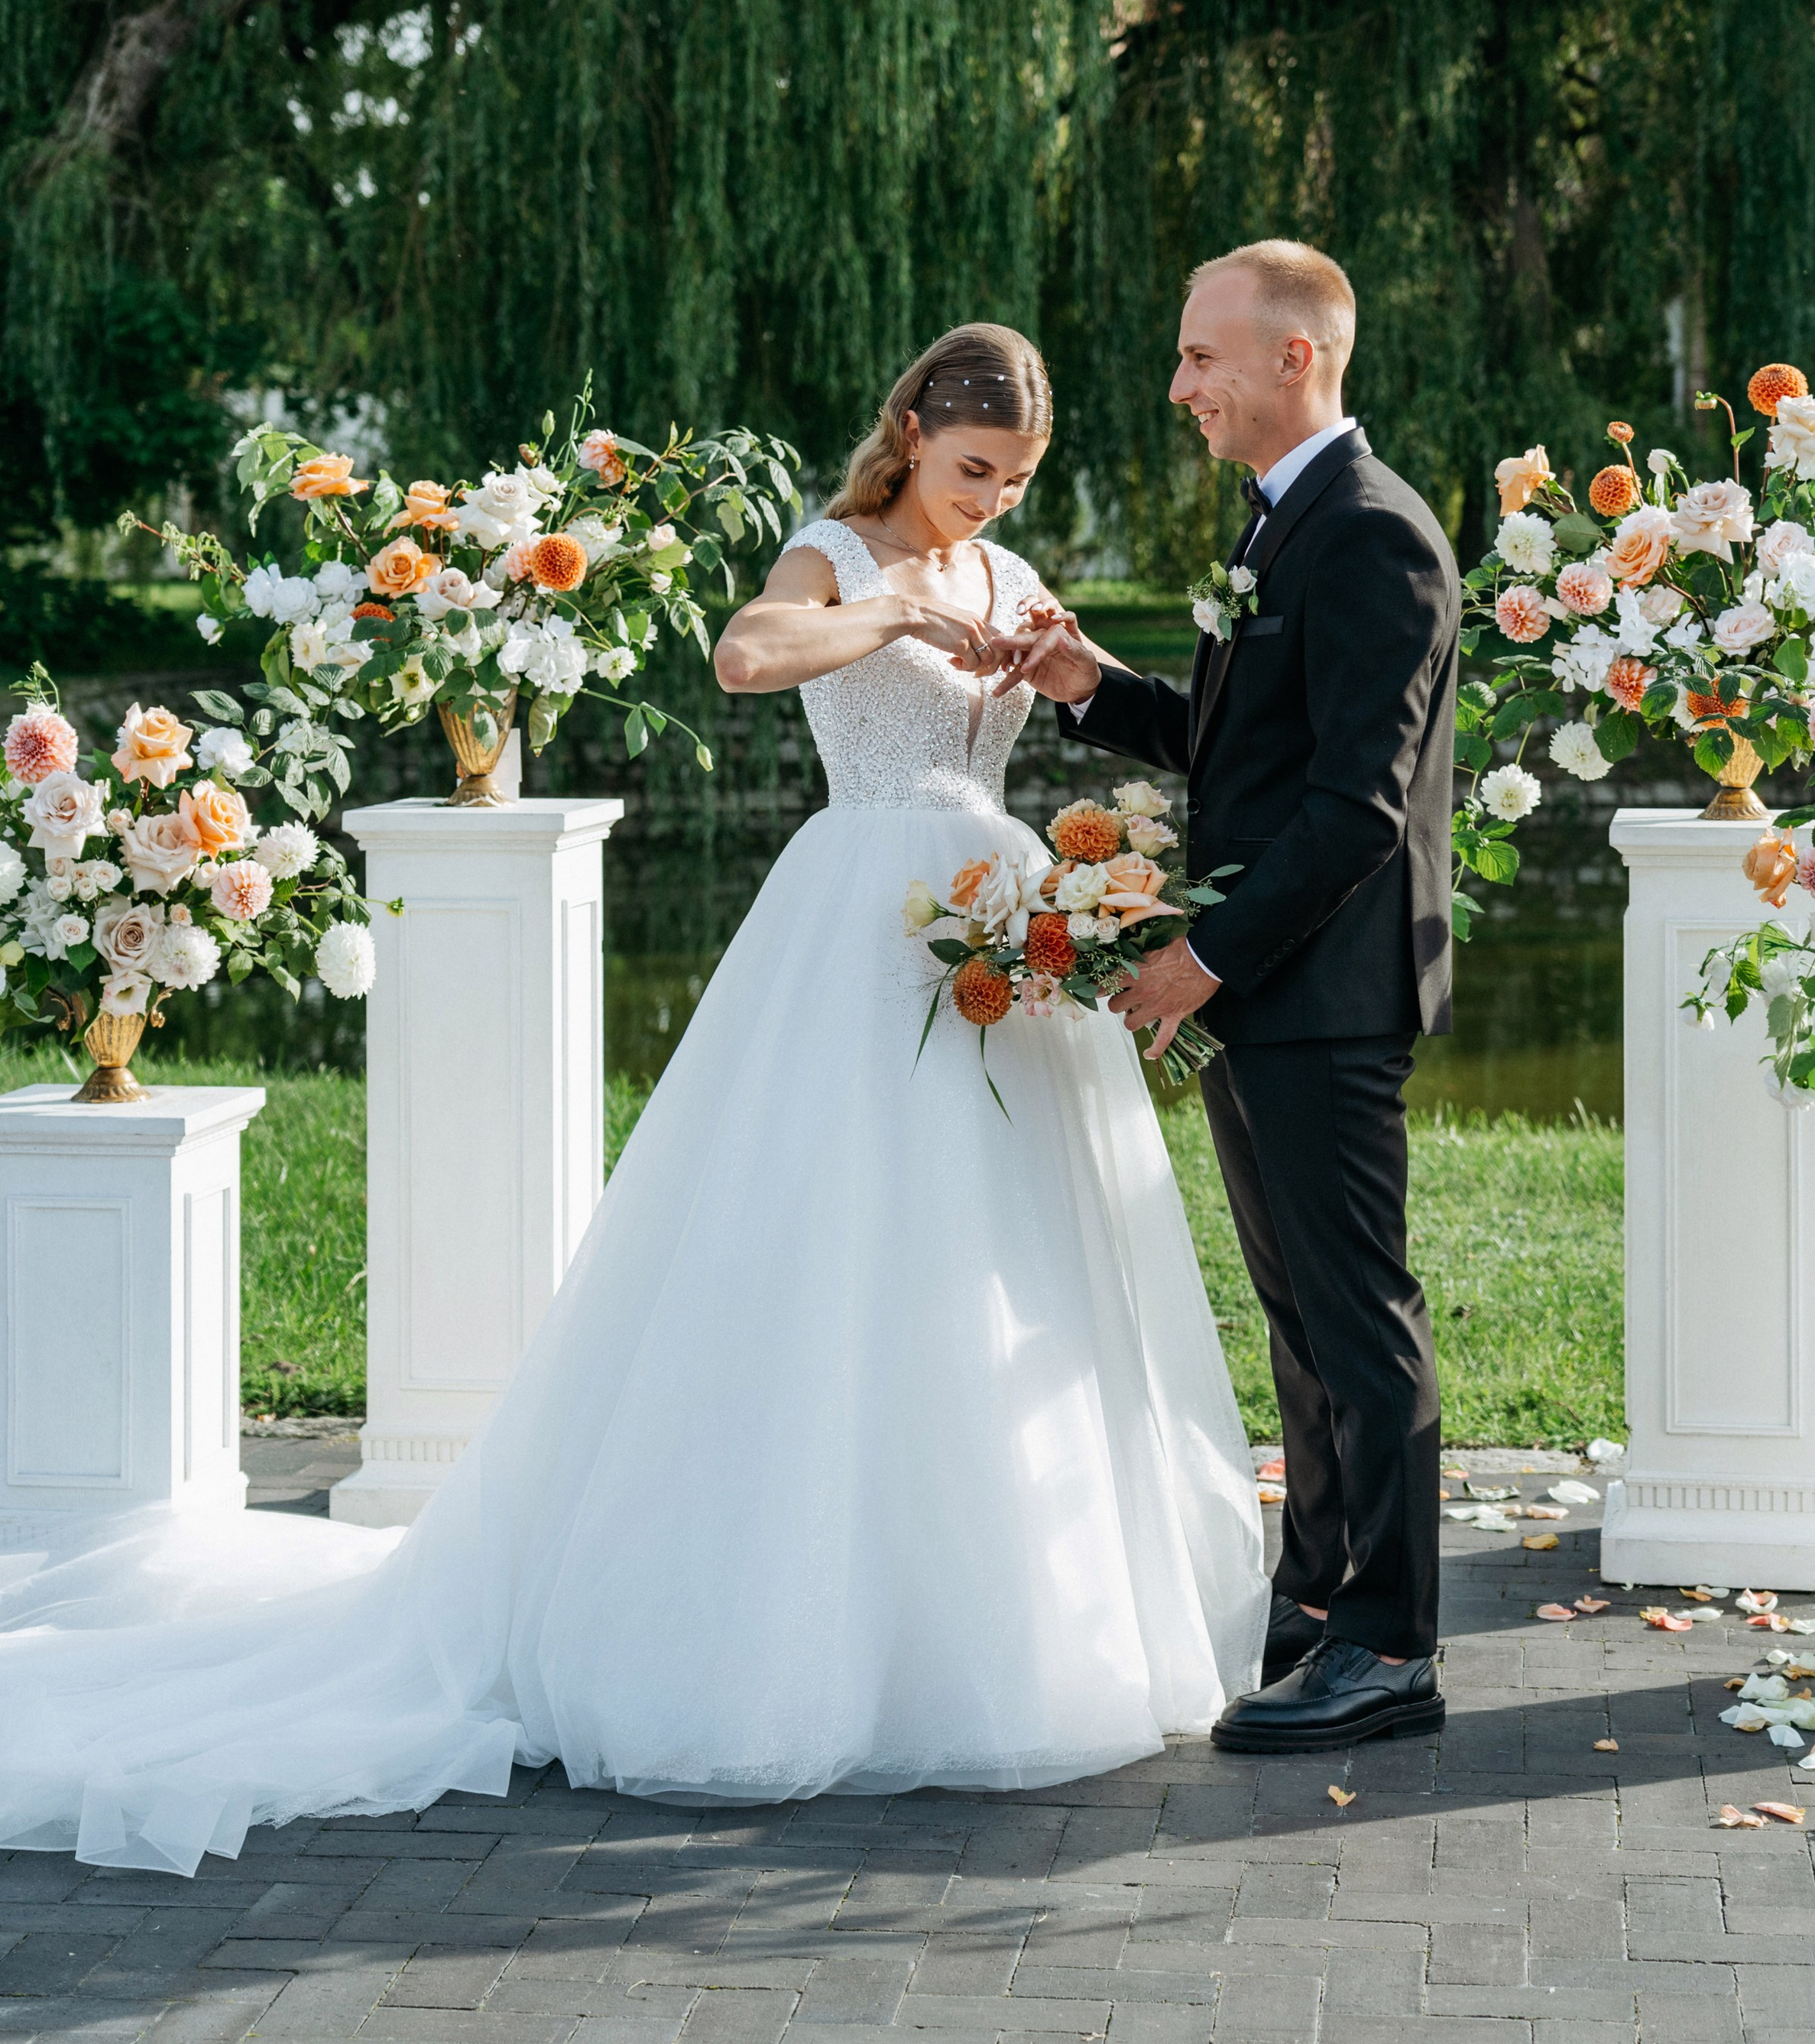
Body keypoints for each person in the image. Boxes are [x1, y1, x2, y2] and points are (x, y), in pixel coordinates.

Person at [0, 321, 1266, 1877]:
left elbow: (1044, 693)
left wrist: (1053, 676)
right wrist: (885, 612)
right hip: (857, 921)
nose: (990, 503)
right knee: (823, 1244)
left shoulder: (1009, 577)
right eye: (969, 471)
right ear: (913, 432)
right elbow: (744, 656)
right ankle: (774, 1630)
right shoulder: (836, 554)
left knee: (1008, 1263)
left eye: (1012, 481)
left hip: (1000, 923)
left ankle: (1015, 1610)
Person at [991, 244, 1459, 1753]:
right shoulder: (1277, 527)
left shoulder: (1369, 536)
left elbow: (1351, 811)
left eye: (1200, 357)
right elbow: (1225, 749)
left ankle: (1386, 1650)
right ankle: (1317, 1612)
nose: (1177, 384)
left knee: (1355, 1316)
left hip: (1316, 990)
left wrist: (1202, 957)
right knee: (1301, 1324)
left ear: (1292, 361)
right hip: (1272, 994)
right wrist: (1081, 680)